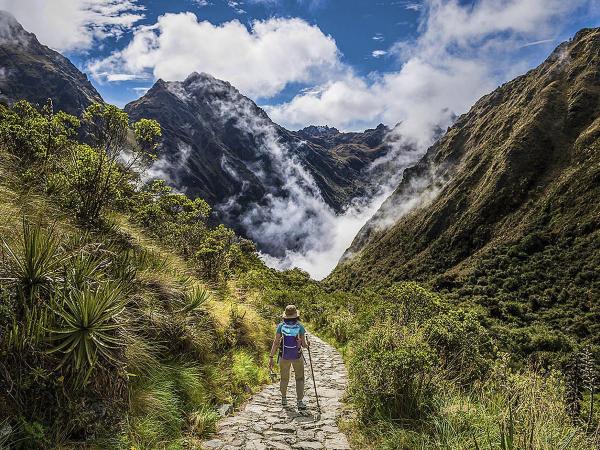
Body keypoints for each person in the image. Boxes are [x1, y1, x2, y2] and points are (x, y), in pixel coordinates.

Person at [269, 304, 309, 409]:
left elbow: (276, 342)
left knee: (284, 378)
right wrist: (307, 344)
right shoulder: (300, 326)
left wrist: (271, 356)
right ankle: (299, 401)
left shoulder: (281, 326)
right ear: (296, 315)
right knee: (299, 378)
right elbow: (304, 345)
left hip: (284, 356)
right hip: (297, 356)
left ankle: (284, 398)